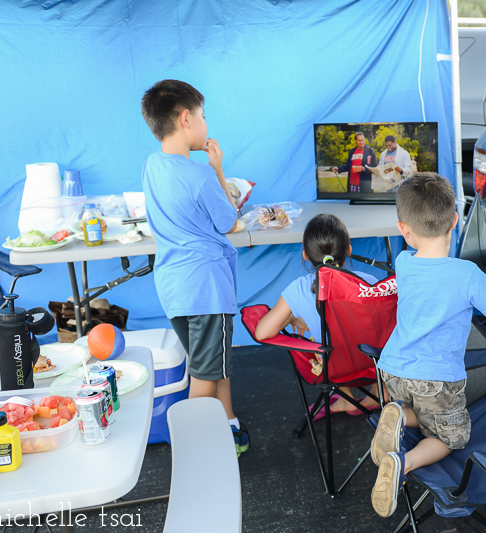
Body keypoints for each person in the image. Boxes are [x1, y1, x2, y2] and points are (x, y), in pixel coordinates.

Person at [369, 172, 486, 518]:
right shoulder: (465, 274)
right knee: (450, 437)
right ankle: (403, 462)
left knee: (422, 412)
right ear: (456, 220)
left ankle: (399, 415)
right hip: (436, 381)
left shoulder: (404, 263)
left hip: (392, 371)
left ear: (403, 230)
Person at [140, 79, 250, 457]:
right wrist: (218, 169)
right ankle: (194, 455)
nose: (206, 123)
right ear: (186, 118)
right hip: (205, 289)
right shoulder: (200, 175)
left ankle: (228, 423)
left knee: (212, 362)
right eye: (203, 116)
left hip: (174, 287)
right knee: (204, 374)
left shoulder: (153, 164)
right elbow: (230, 222)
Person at [256, 213, 382, 416]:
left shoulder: (297, 290)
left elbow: (262, 332)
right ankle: (379, 392)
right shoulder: (371, 282)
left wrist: (292, 318)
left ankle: (345, 398)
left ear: (305, 255)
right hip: (373, 362)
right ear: (349, 251)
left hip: (334, 370)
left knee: (325, 344)